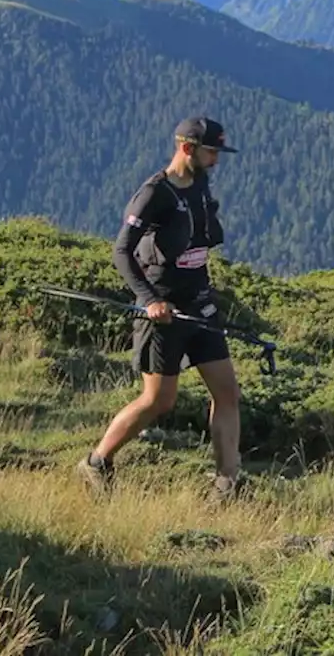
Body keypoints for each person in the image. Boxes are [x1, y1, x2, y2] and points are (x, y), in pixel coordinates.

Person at [76, 116, 244, 503]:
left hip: (200, 306)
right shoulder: (153, 194)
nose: (216, 159)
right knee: (159, 400)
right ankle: (97, 461)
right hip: (162, 311)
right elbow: (121, 252)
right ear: (187, 148)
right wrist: (150, 300)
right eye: (211, 151)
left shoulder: (200, 184)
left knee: (228, 393)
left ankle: (226, 484)